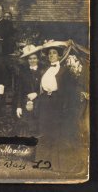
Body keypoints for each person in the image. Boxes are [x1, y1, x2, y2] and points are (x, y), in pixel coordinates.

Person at [36, 42, 79, 172]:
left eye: (54, 53)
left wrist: (65, 106)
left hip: (57, 103)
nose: (51, 56)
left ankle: (56, 163)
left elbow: (68, 91)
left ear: (59, 56)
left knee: (56, 131)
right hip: (45, 102)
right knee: (44, 130)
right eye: (49, 54)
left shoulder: (65, 71)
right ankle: (44, 161)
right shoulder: (45, 70)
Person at [16, 45, 44, 137]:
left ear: (38, 59)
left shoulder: (43, 72)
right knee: (26, 127)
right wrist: (18, 106)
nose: (32, 60)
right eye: (30, 59)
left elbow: (46, 88)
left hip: (39, 103)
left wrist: (36, 94)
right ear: (27, 60)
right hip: (25, 103)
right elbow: (19, 90)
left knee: (38, 127)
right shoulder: (23, 72)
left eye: (34, 58)